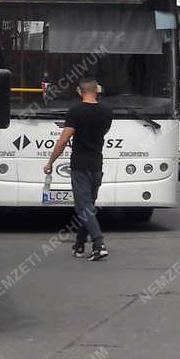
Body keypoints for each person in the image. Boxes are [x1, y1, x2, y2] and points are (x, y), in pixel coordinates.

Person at [43, 77, 113, 261]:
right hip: (97, 163)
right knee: (87, 206)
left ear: (79, 91)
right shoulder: (107, 112)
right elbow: (102, 133)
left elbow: (64, 140)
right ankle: (79, 245)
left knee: (83, 207)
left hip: (80, 164)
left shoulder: (75, 111)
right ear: (97, 90)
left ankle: (99, 244)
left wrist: (51, 161)